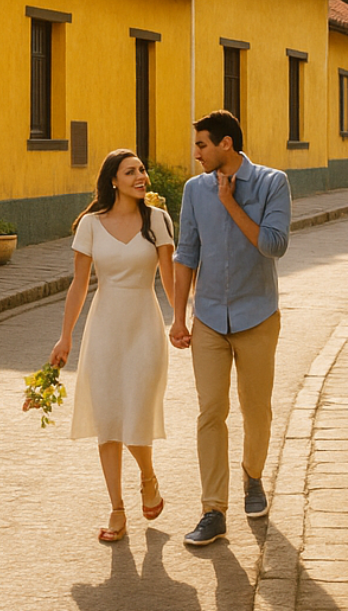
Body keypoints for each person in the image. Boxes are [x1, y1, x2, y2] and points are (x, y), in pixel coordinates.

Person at [169, 110, 291, 547]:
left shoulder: (272, 183)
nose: (195, 152)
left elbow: (274, 245)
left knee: (256, 409)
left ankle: (253, 478)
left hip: (257, 315)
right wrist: (178, 316)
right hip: (209, 321)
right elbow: (186, 254)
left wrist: (229, 203)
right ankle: (212, 510)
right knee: (210, 412)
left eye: (201, 144)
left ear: (225, 145)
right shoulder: (193, 190)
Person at [50, 149, 176, 543]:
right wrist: (65, 335)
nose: (141, 176)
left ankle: (148, 476)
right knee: (108, 418)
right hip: (103, 328)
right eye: (131, 171)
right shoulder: (90, 225)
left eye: (142, 170)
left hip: (145, 327)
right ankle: (117, 509)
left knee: (136, 413)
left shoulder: (158, 221)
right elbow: (78, 285)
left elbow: (170, 280)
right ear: (113, 181)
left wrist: (185, 322)